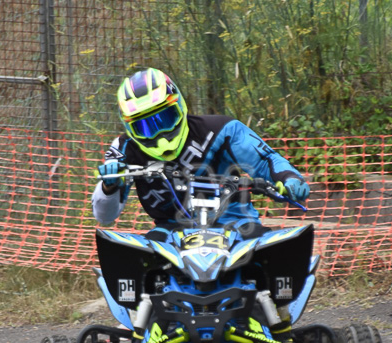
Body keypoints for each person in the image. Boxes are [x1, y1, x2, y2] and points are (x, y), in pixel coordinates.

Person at [92, 67, 310, 240]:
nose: (159, 134)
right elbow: (104, 216)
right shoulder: (123, 148)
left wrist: (290, 178)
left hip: (235, 223)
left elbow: (265, 160)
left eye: (165, 119)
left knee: (273, 254)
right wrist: (109, 187)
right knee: (137, 262)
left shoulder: (222, 130)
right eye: (145, 127)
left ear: (179, 105)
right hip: (170, 231)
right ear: (129, 127)